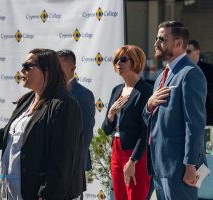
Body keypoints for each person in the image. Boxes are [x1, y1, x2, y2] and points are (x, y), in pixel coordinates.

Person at [0, 48, 83, 200]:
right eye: (22, 65)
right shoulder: (27, 100)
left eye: (27, 66)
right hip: (13, 191)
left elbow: (62, 160)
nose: (22, 70)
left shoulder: (64, 104)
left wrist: (46, 194)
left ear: (47, 71)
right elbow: (11, 138)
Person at [143, 21, 207, 200]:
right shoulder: (162, 76)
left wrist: (190, 164)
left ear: (179, 44)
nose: (156, 43)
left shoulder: (190, 73)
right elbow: (149, 118)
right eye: (156, 38)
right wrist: (149, 105)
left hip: (179, 168)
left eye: (162, 39)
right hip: (159, 165)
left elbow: (194, 124)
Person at [102, 45, 152, 200]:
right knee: (120, 196)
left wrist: (133, 160)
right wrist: (111, 115)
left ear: (135, 62)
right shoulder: (117, 90)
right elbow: (105, 129)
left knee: (135, 196)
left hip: (136, 152)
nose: (118, 63)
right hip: (116, 149)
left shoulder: (145, 91)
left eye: (123, 59)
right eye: (117, 59)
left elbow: (146, 131)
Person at [57, 49, 96, 199]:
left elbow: (85, 134)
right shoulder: (50, 92)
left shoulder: (83, 95)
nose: (56, 72)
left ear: (73, 68)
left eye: (60, 67)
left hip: (72, 169)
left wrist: (74, 167)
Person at [187, 40, 213, 125]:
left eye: (188, 51)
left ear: (197, 51)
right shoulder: (182, 70)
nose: (185, 55)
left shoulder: (209, 69)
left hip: (207, 116)